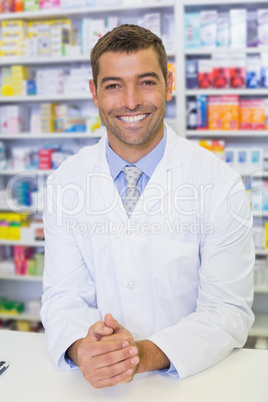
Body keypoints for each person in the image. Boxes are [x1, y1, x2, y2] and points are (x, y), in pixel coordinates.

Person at [41, 24, 255, 389]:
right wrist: (82, 348)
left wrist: (138, 355)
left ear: (169, 84)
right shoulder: (66, 182)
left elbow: (228, 311)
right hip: (96, 387)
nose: (130, 101)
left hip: (191, 381)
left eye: (146, 82)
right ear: (94, 93)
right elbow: (63, 295)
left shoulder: (219, 183)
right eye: (113, 85)